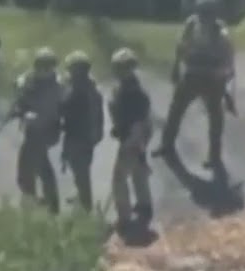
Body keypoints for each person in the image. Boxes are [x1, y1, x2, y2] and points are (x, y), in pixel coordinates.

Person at [153, 0, 236, 169]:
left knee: (215, 119)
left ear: (214, 14)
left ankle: (214, 157)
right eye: (202, 12)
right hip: (191, 75)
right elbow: (181, 47)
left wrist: (227, 91)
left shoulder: (221, 33)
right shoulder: (191, 24)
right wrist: (176, 67)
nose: (204, 17)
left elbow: (229, 63)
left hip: (212, 78)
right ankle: (167, 145)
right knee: (175, 110)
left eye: (208, 13)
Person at [10, 47, 63, 212]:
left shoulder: (56, 87)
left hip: (44, 132)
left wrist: (29, 114)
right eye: (40, 66)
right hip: (34, 132)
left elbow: (49, 111)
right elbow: (21, 89)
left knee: (26, 170)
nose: (43, 70)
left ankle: (34, 205)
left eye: (47, 66)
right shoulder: (31, 80)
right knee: (41, 167)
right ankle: (49, 205)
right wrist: (20, 108)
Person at [109, 47, 154, 225]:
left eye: (123, 67)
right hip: (135, 135)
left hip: (134, 137)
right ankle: (145, 205)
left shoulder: (133, 94)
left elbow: (138, 121)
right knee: (138, 171)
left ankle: (124, 215)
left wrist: (134, 142)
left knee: (119, 178)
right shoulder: (125, 88)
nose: (119, 71)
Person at [59, 50, 104, 211]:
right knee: (77, 168)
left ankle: (86, 205)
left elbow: (68, 107)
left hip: (81, 136)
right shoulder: (85, 88)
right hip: (78, 135)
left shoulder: (83, 91)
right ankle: (81, 195)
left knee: (81, 171)